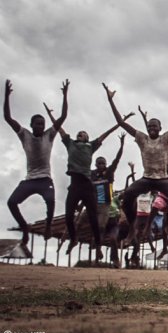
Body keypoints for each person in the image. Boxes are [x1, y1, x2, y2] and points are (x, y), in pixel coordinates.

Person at [102, 82, 168, 254]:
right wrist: (111, 100)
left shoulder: (166, 139)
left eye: (154, 126)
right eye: (149, 126)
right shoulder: (142, 138)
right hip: (147, 178)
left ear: (160, 128)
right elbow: (120, 122)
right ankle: (133, 226)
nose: (151, 129)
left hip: (162, 178)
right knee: (128, 195)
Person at [45, 104, 131, 258]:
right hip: (87, 196)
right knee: (76, 221)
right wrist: (51, 116)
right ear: (95, 164)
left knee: (99, 225)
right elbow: (60, 129)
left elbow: (110, 144)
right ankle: (72, 239)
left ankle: (97, 246)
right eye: (98, 163)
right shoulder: (88, 170)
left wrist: (121, 125)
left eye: (103, 163)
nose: (101, 165)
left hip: (104, 204)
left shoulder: (107, 171)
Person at [5, 79, 68, 257]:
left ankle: (48, 227)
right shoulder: (24, 134)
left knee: (50, 200)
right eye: (37, 124)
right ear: (32, 125)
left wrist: (64, 96)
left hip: (44, 179)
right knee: (11, 202)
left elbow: (63, 117)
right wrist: (6, 97)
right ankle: (24, 228)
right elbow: (8, 118)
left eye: (42, 124)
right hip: (30, 180)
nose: (40, 126)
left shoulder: (49, 135)